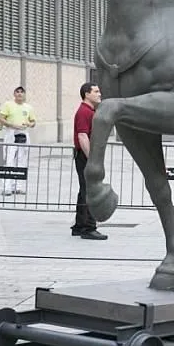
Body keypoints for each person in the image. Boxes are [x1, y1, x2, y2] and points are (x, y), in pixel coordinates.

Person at [70, 83, 107, 240]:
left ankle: (79, 225)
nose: (99, 94)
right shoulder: (84, 112)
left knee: (84, 190)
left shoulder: (89, 111)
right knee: (90, 191)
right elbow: (82, 136)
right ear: (87, 94)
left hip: (84, 156)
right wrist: (92, 159)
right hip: (85, 157)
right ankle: (88, 228)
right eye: (96, 91)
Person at [0, 86, 36, 195]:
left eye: (22, 92)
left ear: (24, 95)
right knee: (9, 160)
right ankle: (7, 187)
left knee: (22, 160)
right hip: (11, 133)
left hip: (23, 134)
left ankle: (18, 186)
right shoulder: (8, 105)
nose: (19, 94)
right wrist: (11, 125)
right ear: (14, 94)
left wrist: (29, 124)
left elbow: (33, 122)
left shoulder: (28, 107)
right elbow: (0, 119)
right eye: (17, 92)